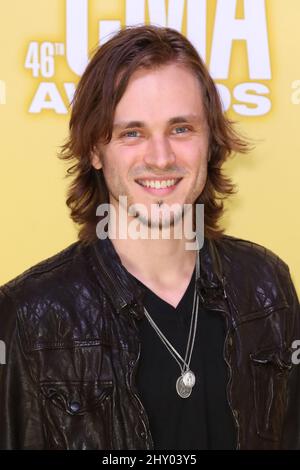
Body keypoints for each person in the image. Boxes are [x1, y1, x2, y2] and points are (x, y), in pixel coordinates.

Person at [0, 24, 299, 451]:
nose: (160, 158)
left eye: (181, 129)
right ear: (95, 151)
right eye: (132, 133)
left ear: (210, 140)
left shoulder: (268, 286)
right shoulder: (31, 314)